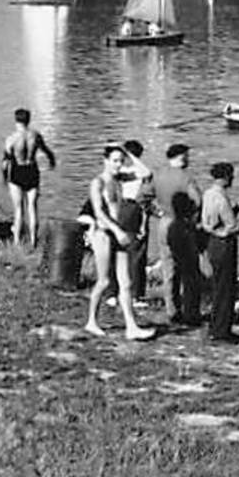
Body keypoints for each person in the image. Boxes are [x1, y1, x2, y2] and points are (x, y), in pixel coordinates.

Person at [83, 145, 155, 341]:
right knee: (104, 281)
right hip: (104, 233)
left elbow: (146, 173)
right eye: (114, 160)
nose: (118, 165)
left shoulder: (119, 179)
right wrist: (117, 230)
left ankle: (131, 327)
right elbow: (99, 212)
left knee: (126, 283)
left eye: (121, 161)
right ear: (105, 161)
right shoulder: (98, 182)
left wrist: (126, 151)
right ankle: (91, 321)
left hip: (119, 233)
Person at [150, 143, 202, 324]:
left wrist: (157, 212)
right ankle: (191, 311)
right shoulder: (185, 178)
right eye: (187, 156)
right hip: (181, 223)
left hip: (163, 222)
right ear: (181, 157)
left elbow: (143, 197)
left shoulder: (157, 174)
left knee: (168, 268)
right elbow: (198, 201)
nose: (189, 159)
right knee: (189, 270)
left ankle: (171, 309)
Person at [200, 161, 239, 342]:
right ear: (226, 177)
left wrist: (235, 210)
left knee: (218, 285)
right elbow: (231, 226)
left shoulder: (208, 194)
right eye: (231, 175)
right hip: (224, 244)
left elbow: (212, 221)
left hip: (212, 241)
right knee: (226, 288)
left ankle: (215, 326)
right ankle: (221, 331)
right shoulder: (221, 197)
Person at [1, 108, 56, 247]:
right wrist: (52, 162)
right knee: (32, 207)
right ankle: (33, 241)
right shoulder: (35, 135)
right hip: (32, 170)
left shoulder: (11, 139)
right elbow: (47, 151)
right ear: (29, 120)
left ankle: (17, 241)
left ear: (16, 120)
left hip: (17, 171)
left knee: (18, 209)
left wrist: (4, 177)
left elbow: (5, 162)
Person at [163, 190, 206, 327]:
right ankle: (191, 315)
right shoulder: (185, 227)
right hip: (188, 258)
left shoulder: (174, 225)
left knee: (177, 282)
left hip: (178, 256)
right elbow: (197, 243)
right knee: (192, 286)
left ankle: (177, 312)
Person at [118, 140, 153, 302]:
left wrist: (128, 154)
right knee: (137, 252)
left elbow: (145, 172)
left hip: (123, 209)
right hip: (133, 209)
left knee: (123, 250)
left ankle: (121, 292)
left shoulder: (125, 170)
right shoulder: (130, 171)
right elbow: (146, 173)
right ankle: (135, 294)